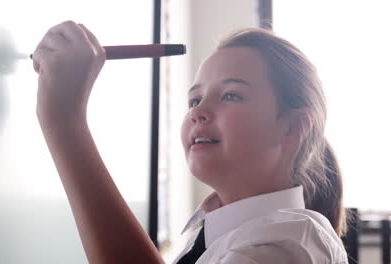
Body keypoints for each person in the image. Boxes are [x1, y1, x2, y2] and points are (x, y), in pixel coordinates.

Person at [32, 21, 348, 264]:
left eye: (231, 95)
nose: (198, 111)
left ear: (292, 127)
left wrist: (65, 122)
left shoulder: (292, 241)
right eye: (194, 99)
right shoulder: (212, 232)